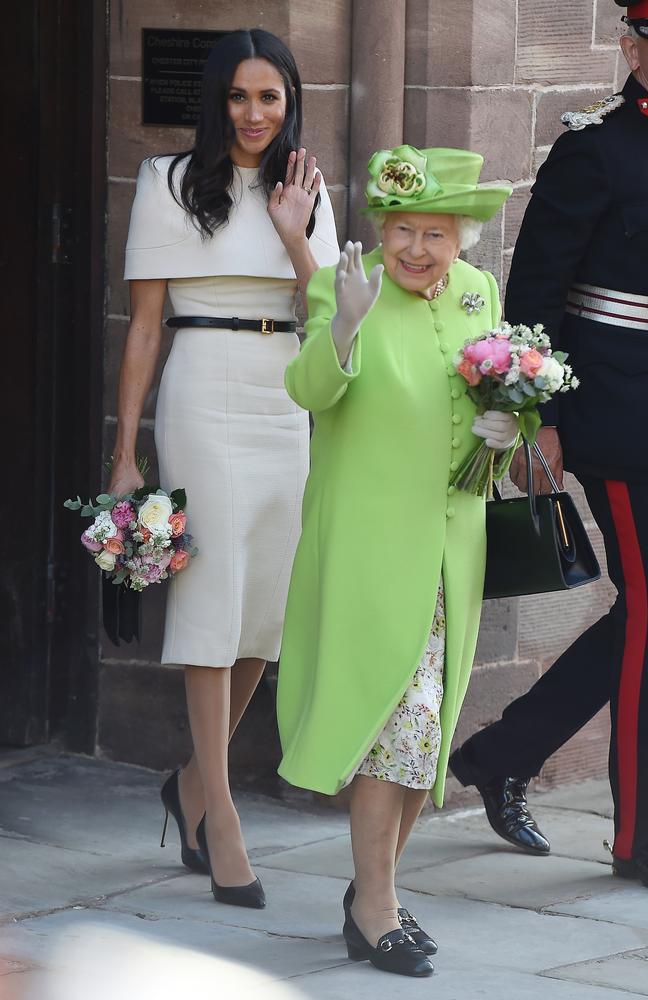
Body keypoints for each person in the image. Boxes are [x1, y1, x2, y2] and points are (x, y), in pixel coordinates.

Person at [109, 28, 339, 909]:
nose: (253, 114)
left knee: (266, 611)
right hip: (203, 391)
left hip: (286, 394)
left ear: (290, 103)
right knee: (212, 598)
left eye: (270, 97)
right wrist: (125, 452)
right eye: (239, 97)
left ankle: (191, 785)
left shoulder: (305, 188)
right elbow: (143, 327)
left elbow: (325, 312)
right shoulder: (167, 183)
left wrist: (295, 236)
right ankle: (223, 809)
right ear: (217, 101)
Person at [276, 145, 513, 977]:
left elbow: (497, 389)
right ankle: (374, 906)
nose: (416, 248)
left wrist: (507, 428)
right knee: (394, 729)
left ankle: (376, 891)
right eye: (402, 230)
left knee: (426, 731)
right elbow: (308, 391)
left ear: (463, 237)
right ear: (381, 229)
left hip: (457, 544)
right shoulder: (342, 285)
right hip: (372, 546)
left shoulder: (482, 292)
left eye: (436, 234)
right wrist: (342, 322)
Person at [449, 5, 648, 889]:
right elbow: (533, 291)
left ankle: (504, 753)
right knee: (646, 607)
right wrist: (544, 420)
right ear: (630, 45)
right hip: (619, 415)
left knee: (644, 614)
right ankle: (637, 840)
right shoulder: (594, 147)